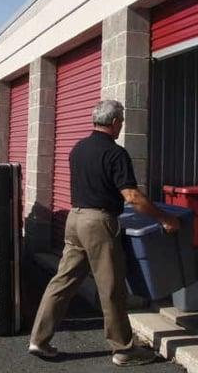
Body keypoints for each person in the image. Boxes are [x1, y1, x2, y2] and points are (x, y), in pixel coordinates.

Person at [28, 99, 180, 367]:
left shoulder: (78, 149)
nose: (121, 126)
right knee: (111, 288)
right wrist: (164, 217)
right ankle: (124, 349)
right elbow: (132, 195)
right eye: (121, 121)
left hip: (75, 220)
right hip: (98, 223)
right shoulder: (115, 153)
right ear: (113, 123)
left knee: (62, 281)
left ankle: (38, 340)